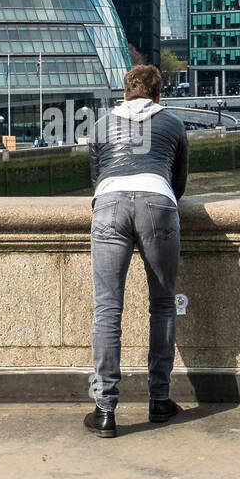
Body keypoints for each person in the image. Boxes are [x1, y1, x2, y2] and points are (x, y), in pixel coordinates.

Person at [84, 64, 189, 439]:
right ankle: (159, 399)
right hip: (158, 203)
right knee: (162, 303)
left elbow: (96, 178)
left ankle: (105, 409)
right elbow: (178, 183)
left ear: (124, 93)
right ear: (159, 95)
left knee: (108, 308)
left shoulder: (100, 125)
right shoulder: (174, 124)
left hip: (109, 204)